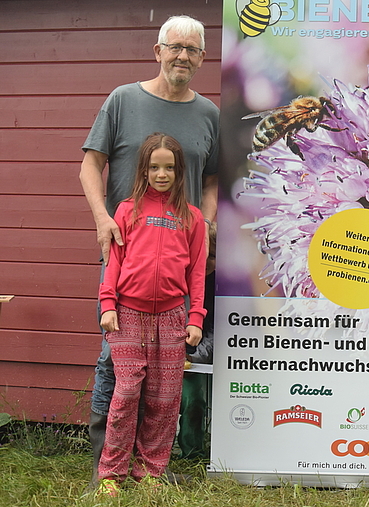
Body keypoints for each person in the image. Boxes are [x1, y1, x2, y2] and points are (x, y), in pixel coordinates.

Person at [79, 14, 219, 488]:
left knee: (164, 381)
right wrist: (103, 222)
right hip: (125, 255)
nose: (183, 56)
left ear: (202, 58)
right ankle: (108, 463)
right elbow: (90, 166)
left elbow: (214, 178)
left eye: (192, 49)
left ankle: (151, 466)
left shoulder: (208, 114)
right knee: (114, 369)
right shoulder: (123, 100)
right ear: (157, 51)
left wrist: (209, 223)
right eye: (174, 46)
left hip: (181, 258)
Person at [96, 133, 207, 495]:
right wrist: (108, 304)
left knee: (163, 398)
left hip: (173, 319)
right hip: (128, 313)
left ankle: (150, 472)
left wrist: (195, 318)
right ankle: (111, 474)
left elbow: (196, 273)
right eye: (155, 167)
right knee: (126, 392)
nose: (162, 174)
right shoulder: (127, 210)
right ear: (143, 169)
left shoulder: (192, 219)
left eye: (169, 168)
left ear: (179, 172)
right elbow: (114, 261)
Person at [177, 222, 216, 460]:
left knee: (194, 401)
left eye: (212, 256)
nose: (205, 261)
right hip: (164, 348)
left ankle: (192, 452)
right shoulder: (177, 276)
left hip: (195, 356)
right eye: (201, 254)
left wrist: (195, 354)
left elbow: (215, 329)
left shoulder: (220, 286)